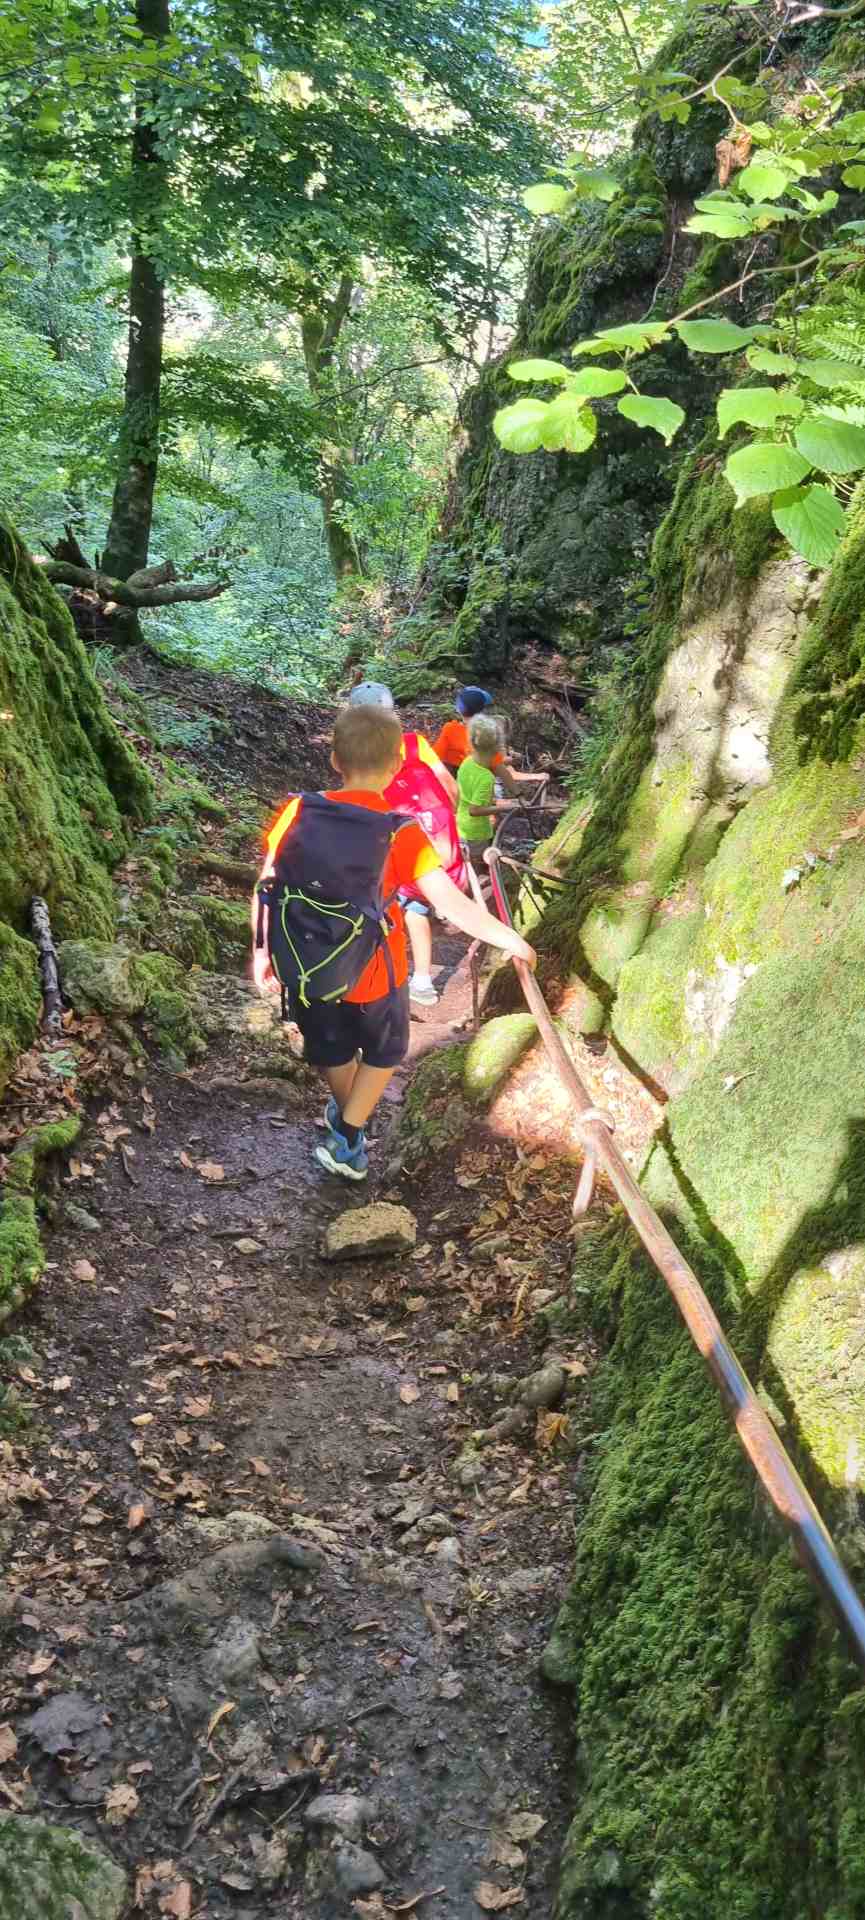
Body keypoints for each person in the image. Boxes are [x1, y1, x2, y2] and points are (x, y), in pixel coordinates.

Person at [253, 702, 536, 1182]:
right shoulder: (399, 832)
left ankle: (348, 1118)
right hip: (375, 974)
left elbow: (266, 883)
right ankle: (348, 1136)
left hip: (303, 963)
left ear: (335, 760)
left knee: (331, 1049)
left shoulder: (297, 810)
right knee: (385, 1053)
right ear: (397, 764)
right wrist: (509, 938)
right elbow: (450, 903)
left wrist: (263, 950)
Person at [349, 681, 460, 1009]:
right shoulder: (414, 743)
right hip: (433, 828)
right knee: (418, 903)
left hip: (392, 833)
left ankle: (385, 979)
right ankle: (423, 977)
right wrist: (451, 818)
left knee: (394, 903)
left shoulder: (358, 755)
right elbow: (448, 784)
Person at [457, 713, 517, 858]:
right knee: (477, 861)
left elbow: (465, 795)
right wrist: (505, 808)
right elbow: (475, 810)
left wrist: (504, 801)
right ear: (497, 748)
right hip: (476, 832)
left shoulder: (467, 762)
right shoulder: (486, 778)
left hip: (461, 825)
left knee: (466, 859)